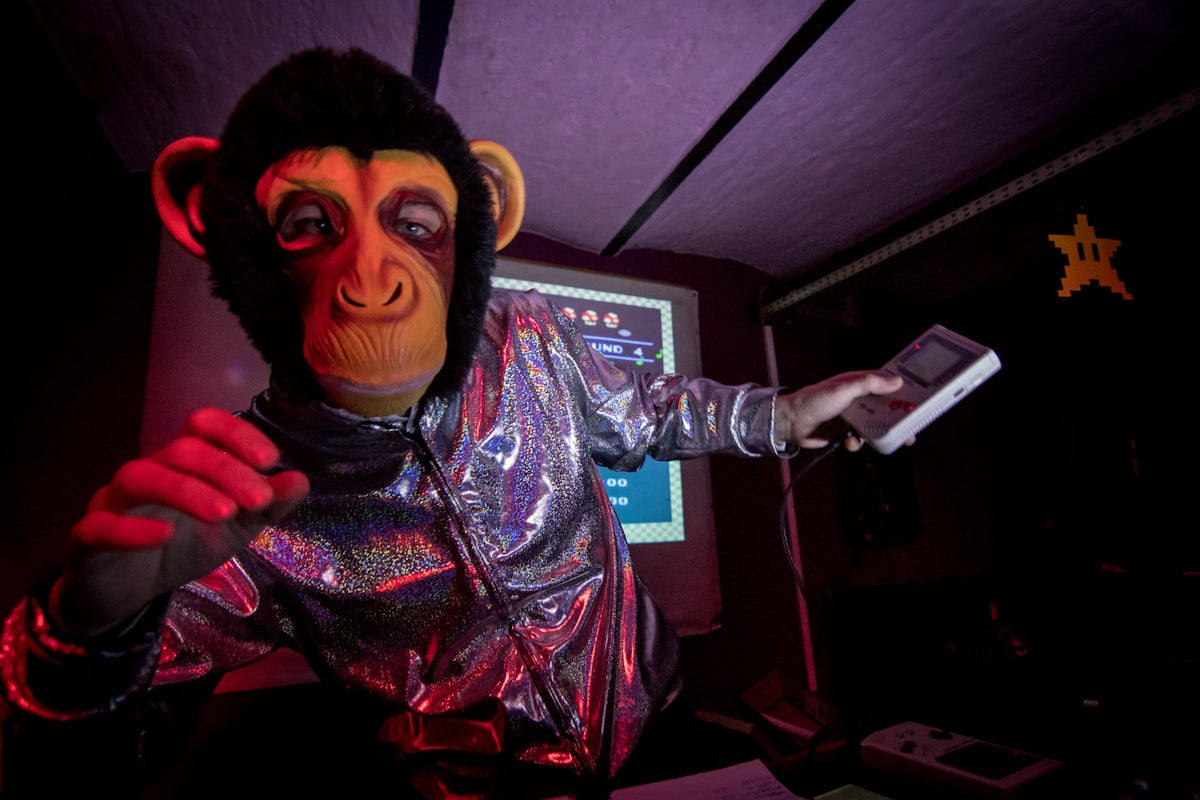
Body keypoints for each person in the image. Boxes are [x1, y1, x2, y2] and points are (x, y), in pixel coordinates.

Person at [0, 48, 902, 798]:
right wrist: (82, 635)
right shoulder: (240, 498)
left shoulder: (532, 338)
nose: (375, 273)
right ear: (231, 242)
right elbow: (90, 779)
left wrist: (784, 415)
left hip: (656, 727)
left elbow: (655, 411)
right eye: (310, 223)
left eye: (417, 220)